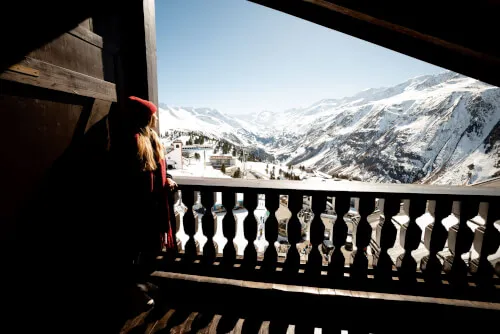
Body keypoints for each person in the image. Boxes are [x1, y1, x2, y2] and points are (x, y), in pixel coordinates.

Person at [112, 96, 177, 310]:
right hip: (135, 207)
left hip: (151, 205)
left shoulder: (150, 138)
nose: (155, 119)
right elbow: (129, 176)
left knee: (143, 248)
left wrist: (165, 179)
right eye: (152, 115)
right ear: (144, 117)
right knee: (131, 249)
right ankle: (131, 290)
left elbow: (155, 170)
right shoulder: (132, 140)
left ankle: (139, 284)